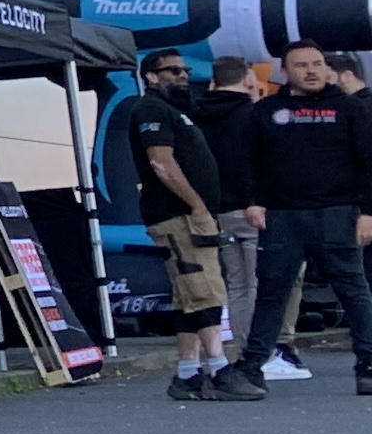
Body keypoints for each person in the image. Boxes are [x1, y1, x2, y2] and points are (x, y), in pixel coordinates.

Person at [223, 37, 372, 399]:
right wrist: (252, 202)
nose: (311, 71)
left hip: (337, 213)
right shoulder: (265, 111)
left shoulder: (350, 108)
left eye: (317, 64)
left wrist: (368, 212)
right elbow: (244, 160)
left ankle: (368, 365)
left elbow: (369, 161)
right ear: (285, 71)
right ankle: (252, 366)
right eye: (302, 66)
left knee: (354, 291)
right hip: (282, 216)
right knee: (272, 292)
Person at [120, 46, 247, 401]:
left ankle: (188, 373)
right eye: (173, 71)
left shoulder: (175, 110)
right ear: (151, 76)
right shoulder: (151, 109)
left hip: (187, 215)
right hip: (179, 216)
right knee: (204, 289)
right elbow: (161, 162)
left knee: (188, 294)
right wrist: (197, 205)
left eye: (185, 71)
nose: (182, 76)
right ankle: (219, 368)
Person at [190, 53, 274, 376]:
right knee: (259, 283)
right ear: (247, 79)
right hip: (252, 208)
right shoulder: (253, 114)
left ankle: (242, 346)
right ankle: (258, 352)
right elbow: (257, 161)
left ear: (214, 81)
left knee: (236, 284)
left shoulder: (196, 115)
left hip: (215, 210)